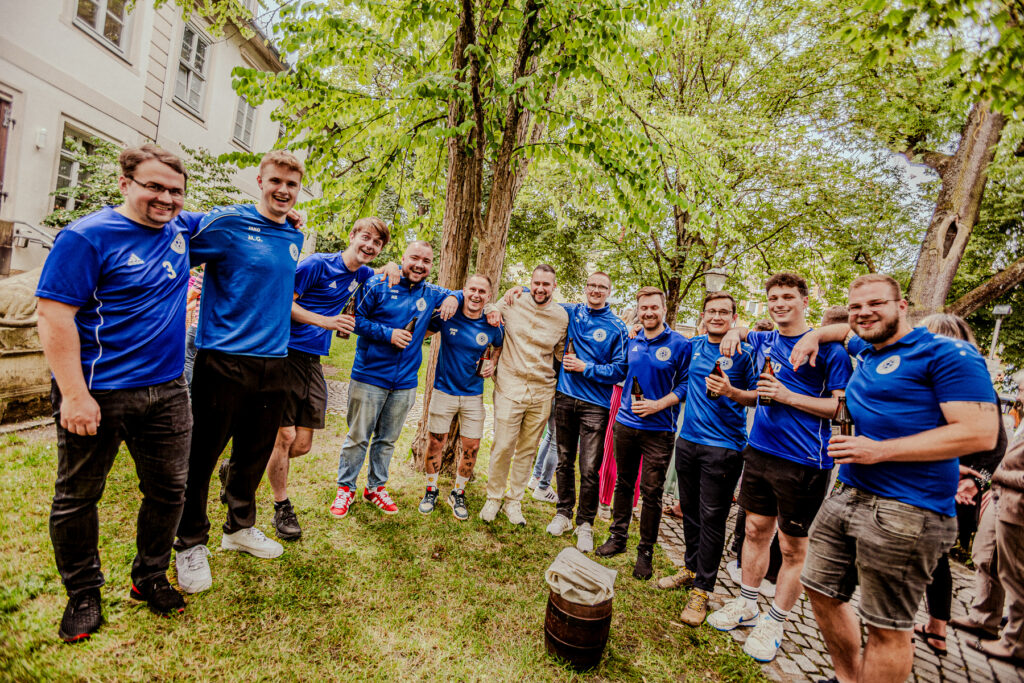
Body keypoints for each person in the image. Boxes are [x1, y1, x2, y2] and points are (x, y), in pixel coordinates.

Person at [789, 273, 1000, 683]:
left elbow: (979, 432)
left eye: (876, 303)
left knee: (886, 626)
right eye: (856, 306)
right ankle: (849, 678)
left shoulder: (947, 353)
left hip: (908, 510)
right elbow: (843, 330)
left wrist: (878, 450)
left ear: (902, 307)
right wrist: (813, 336)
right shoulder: (867, 349)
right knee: (818, 588)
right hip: (849, 494)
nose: (864, 312)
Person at [36, 144, 200, 641]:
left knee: (169, 491)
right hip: (99, 392)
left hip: (169, 391)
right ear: (125, 183)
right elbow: (52, 315)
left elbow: (225, 219)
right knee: (78, 497)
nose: (166, 198)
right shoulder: (87, 237)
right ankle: (83, 593)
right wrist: (74, 395)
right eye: (154, 186)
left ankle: (148, 576)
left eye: (175, 190)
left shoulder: (179, 230)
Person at [174, 151, 307, 594]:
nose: (283, 190)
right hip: (223, 359)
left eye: (292, 184)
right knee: (203, 455)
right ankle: (190, 541)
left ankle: (238, 528)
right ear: (260, 181)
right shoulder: (227, 223)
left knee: (253, 452)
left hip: (274, 361)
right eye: (276, 182)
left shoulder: (292, 234)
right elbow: (175, 242)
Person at [707, 272, 852, 663]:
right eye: (773, 297)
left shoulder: (832, 352)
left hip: (805, 460)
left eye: (788, 296)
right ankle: (747, 602)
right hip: (761, 451)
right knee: (755, 530)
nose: (779, 303)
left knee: (792, 546)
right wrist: (736, 330)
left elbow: (842, 409)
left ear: (805, 302)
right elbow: (739, 332)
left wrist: (787, 396)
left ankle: (777, 619)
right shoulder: (767, 339)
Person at [264, 217, 396, 540]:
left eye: (377, 243)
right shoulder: (316, 265)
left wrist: (391, 265)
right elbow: (282, 302)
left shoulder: (361, 273)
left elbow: (380, 271)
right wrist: (326, 322)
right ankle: (282, 507)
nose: (370, 246)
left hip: (313, 363)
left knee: (302, 445)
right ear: (351, 236)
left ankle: (245, 465)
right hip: (285, 353)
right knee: (283, 437)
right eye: (365, 237)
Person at [329, 241, 460, 517]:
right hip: (369, 376)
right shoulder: (378, 283)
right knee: (358, 437)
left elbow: (462, 292)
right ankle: (345, 489)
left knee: (387, 440)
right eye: (414, 258)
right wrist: (388, 334)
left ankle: (375, 488)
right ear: (403, 258)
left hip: (404, 383)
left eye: (426, 261)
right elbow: (354, 319)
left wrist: (454, 298)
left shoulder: (433, 292)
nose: (419, 265)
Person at [656, 291, 758, 629]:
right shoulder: (694, 345)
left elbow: (760, 396)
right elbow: (664, 342)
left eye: (723, 312)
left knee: (714, 519)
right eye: (710, 311)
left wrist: (732, 391)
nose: (716, 316)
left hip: (724, 448)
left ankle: (703, 589)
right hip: (688, 442)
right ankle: (690, 567)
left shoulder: (746, 352)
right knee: (690, 509)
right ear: (702, 315)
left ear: (733, 316)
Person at [914, 314, 1007, 655]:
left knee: (921, 558)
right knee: (933, 561)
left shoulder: (971, 384)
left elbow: (995, 445)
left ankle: (900, 633)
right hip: (937, 484)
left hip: (945, 488)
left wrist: (972, 481)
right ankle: (936, 629)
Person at [595, 286, 690, 580]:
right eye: (643, 307)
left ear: (664, 309)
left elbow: (686, 386)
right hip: (625, 425)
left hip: (658, 431)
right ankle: (617, 537)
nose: (648, 312)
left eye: (653, 307)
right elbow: (618, 369)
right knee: (624, 484)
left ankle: (645, 552)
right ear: (638, 310)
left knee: (651, 493)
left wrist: (659, 404)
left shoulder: (680, 344)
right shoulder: (632, 338)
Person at [542, 271, 629, 553]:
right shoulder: (573, 312)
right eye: (591, 285)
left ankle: (585, 524)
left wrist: (585, 368)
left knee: (590, 467)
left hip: (596, 405)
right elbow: (540, 293)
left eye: (602, 287)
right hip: (566, 397)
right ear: (585, 287)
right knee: (564, 460)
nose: (595, 290)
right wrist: (512, 292)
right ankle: (563, 513)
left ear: (609, 291)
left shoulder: (617, 327)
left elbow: (620, 369)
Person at [480, 265, 568, 525]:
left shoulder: (562, 316)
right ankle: (493, 498)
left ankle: (514, 501)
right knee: (503, 445)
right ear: (530, 283)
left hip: (542, 391)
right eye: (536, 283)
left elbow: (562, 353)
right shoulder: (513, 301)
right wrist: (493, 309)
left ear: (554, 286)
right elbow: (489, 308)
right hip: (510, 385)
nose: (541, 288)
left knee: (528, 450)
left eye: (546, 284)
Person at [418, 273, 504, 520]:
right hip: (443, 390)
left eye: (482, 291)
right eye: (472, 290)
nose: (476, 295)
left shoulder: (492, 324)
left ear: (488, 296)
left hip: (473, 396)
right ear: (464, 290)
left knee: (472, 447)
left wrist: (493, 363)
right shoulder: (448, 315)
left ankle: (458, 492)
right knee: (436, 441)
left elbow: (498, 346)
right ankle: (431, 489)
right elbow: (421, 330)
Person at [953, 438, 1024, 666]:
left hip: (1017, 495)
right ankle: (984, 617)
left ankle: (1016, 642)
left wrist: (999, 476)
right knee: (985, 555)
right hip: (1002, 493)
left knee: (1014, 572)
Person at [527, 407, 558, 502]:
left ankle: (536, 477)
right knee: (556, 439)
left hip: (553, 397)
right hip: (564, 398)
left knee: (550, 434)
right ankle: (542, 487)